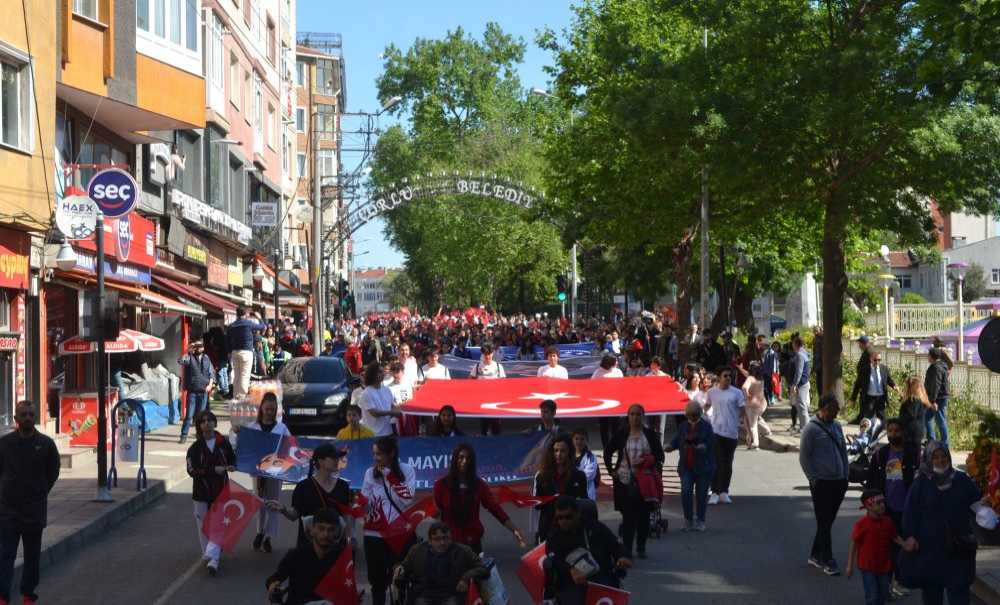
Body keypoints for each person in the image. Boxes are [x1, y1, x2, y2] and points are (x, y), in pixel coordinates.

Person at [901, 441, 981, 605]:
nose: (940, 460)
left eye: (943, 456)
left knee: (959, 596)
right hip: (929, 551)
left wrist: (987, 507)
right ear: (929, 460)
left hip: (958, 550)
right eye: (935, 457)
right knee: (932, 596)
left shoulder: (961, 480)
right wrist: (909, 536)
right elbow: (910, 513)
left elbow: (976, 503)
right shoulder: (921, 483)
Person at [0, 401, 60, 605]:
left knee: (32, 557)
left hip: (34, 510)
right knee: (5, 555)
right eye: (23, 414)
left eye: (31, 415)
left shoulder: (46, 444)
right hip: (8, 510)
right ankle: (2, 596)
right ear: (16, 418)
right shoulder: (5, 444)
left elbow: (53, 471)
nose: (27, 418)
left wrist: (41, 491)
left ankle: (28, 595)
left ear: (35, 418)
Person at [433, 444, 526, 554]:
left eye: (468, 458)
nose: (464, 461)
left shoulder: (479, 485)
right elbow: (437, 513)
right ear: (454, 459)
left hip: (472, 542)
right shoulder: (441, 485)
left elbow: (495, 508)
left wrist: (514, 529)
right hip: (449, 543)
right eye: (461, 457)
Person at [865, 418, 920, 599]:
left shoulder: (912, 455)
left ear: (903, 432)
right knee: (887, 549)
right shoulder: (880, 455)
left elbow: (919, 481)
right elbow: (871, 483)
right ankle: (887, 586)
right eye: (890, 431)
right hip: (885, 510)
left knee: (903, 549)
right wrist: (872, 506)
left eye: (897, 431)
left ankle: (899, 580)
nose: (893, 435)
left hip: (907, 510)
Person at [543, 496, 632, 605]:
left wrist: (622, 557)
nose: (563, 521)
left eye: (568, 517)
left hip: (600, 577)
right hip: (571, 581)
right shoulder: (555, 535)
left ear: (578, 514)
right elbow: (553, 557)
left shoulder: (595, 527)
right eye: (559, 518)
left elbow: (615, 545)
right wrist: (570, 570)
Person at [231, 395, 289, 553]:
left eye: (272, 409)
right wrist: (237, 433)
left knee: (274, 503)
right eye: (267, 409)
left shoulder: (282, 428)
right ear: (261, 408)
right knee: (260, 503)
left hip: (275, 472)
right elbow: (241, 445)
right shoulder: (252, 427)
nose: (269, 412)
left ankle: (269, 537)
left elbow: (289, 446)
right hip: (258, 472)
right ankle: (260, 531)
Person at [604, 404, 664, 558]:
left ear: (643, 416)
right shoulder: (622, 434)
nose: (635, 417)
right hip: (624, 481)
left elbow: (660, 456)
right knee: (628, 517)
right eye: (632, 414)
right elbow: (608, 451)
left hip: (645, 482)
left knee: (644, 517)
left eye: (638, 414)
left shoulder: (650, 435)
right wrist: (612, 471)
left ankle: (641, 547)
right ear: (628, 416)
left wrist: (652, 466)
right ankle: (627, 550)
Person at [362, 436, 417, 605]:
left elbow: (408, 499)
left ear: (391, 453)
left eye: (379, 454)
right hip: (374, 534)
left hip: (399, 533)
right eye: (374, 454)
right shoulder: (370, 473)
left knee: (400, 579)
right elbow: (365, 502)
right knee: (377, 583)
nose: (375, 458)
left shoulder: (407, 470)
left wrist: (390, 477)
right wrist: (359, 504)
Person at [799, 394, 849, 577]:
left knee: (826, 522)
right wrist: (814, 479)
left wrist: (846, 475)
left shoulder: (836, 426)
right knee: (824, 522)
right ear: (823, 409)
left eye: (837, 410)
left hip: (839, 481)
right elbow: (804, 457)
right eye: (833, 410)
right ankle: (827, 559)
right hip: (821, 483)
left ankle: (814, 554)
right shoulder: (811, 429)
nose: (836, 414)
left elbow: (843, 450)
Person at [269, 444, 351, 549]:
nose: (337, 460)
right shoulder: (303, 487)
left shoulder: (343, 486)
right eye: (333, 458)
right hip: (309, 547)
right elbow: (294, 515)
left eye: (338, 457)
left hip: (335, 547)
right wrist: (283, 509)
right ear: (321, 461)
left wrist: (348, 540)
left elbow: (346, 518)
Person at [185, 409, 236, 575]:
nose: (207, 423)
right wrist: (214, 470)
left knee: (218, 524)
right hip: (201, 492)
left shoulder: (224, 443)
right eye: (203, 421)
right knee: (203, 526)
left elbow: (233, 460)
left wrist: (231, 466)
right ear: (199, 426)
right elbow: (192, 470)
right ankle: (207, 553)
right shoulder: (194, 448)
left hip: (221, 490)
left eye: (210, 420)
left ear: (215, 423)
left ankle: (214, 559)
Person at [265, 508, 348, 605]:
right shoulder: (296, 555)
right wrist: (273, 585)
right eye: (321, 528)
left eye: (331, 530)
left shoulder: (342, 557)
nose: (325, 534)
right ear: (312, 530)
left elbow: (347, 586)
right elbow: (275, 578)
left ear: (337, 532)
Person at [394, 522, 490, 605]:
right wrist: (400, 569)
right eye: (437, 539)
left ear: (451, 538)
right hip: (424, 593)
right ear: (430, 541)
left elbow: (483, 569)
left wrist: (465, 578)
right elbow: (404, 566)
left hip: (451, 593)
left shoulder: (462, 551)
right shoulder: (417, 551)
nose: (442, 543)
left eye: (445, 538)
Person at [846, 490, 907, 605]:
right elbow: (854, 543)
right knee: (873, 596)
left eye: (883, 502)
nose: (883, 505)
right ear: (868, 506)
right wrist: (850, 565)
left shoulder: (888, 522)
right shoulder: (862, 524)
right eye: (878, 503)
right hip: (867, 566)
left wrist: (906, 545)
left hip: (884, 566)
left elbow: (894, 537)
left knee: (884, 593)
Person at [665, 399, 716, 532]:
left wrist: (703, 446)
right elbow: (677, 440)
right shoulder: (683, 426)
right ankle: (688, 520)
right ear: (686, 415)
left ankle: (700, 520)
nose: (692, 418)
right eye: (690, 415)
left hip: (703, 467)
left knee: (701, 494)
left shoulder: (706, 426)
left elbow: (711, 444)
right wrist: (670, 446)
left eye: (695, 415)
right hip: (686, 466)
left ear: (699, 414)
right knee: (686, 492)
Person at [533, 434, 589, 543]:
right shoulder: (542, 476)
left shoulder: (579, 475)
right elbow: (536, 504)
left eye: (563, 451)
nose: (559, 454)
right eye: (556, 451)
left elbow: (583, 501)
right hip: (548, 528)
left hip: (571, 529)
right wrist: (550, 499)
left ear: (569, 452)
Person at [705, 369, 745, 504]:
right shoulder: (712, 392)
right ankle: (714, 492)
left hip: (731, 432)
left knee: (727, 463)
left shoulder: (737, 393)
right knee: (716, 462)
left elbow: (742, 409)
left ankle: (724, 491)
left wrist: (739, 422)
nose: (728, 378)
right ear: (719, 377)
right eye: (725, 376)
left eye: (730, 376)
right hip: (716, 431)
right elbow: (707, 405)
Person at [226, 307, 267, 401]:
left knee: (237, 375)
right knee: (245, 375)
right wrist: (260, 318)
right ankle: (242, 397)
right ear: (245, 314)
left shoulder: (232, 325)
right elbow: (263, 326)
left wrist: (229, 351)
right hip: (246, 352)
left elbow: (227, 339)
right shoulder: (248, 323)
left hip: (235, 352)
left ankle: (235, 396)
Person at [179, 339, 215, 444]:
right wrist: (188, 350)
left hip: (204, 391)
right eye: (197, 346)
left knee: (201, 417)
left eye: (200, 346)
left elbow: (211, 373)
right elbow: (180, 361)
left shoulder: (207, 358)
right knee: (189, 416)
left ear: (203, 348)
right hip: (193, 392)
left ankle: (200, 437)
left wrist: (210, 385)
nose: (199, 348)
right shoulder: (190, 358)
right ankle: (183, 436)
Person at [471, 344, 505, 435]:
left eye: (489, 354)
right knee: (484, 427)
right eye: (485, 354)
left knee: (496, 428)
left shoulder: (498, 367)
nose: (487, 356)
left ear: (492, 353)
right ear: (482, 354)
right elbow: (470, 381)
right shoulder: (477, 366)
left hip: (496, 401)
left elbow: (504, 383)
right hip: (482, 401)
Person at [359, 363, 401, 437]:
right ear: (372, 374)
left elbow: (392, 406)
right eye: (379, 372)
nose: (383, 373)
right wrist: (391, 413)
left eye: (382, 371)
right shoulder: (366, 393)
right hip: (373, 434)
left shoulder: (387, 389)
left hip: (388, 432)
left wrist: (402, 411)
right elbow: (374, 413)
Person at [592, 354, 625, 447]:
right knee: (604, 427)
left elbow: (622, 385)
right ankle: (606, 447)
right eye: (615, 361)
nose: (617, 362)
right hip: (603, 404)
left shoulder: (618, 372)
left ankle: (615, 446)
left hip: (616, 403)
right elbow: (592, 386)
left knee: (616, 426)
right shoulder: (598, 373)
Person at [741, 363, 772, 450]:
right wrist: (740, 369)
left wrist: (747, 395)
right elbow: (746, 374)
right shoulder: (761, 379)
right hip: (762, 404)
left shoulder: (750, 379)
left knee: (752, 424)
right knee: (757, 418)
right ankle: (767, 430)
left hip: (752, 404)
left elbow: (744, 387)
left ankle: (755, 442)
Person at [861, 352, 897, 423]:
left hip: (881, 398)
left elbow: (889, 379)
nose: (877, 362)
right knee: (868, 420)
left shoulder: (884, 368)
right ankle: (867, 433)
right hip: (869, 398)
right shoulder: (865, 370)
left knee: (882, 419)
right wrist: (853, 397)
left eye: (879, 360)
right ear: (871, 359)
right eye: (875, 360)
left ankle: (881, 432)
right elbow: (858, 383)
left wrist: (894, 386)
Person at [924, 347, 950, 446]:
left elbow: (936, 384)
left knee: (940, 420)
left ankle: (945, 443)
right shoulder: (941, 366)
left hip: (938, 398)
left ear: (931, 356)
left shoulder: (936, 367)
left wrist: (933, 400)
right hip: (937, 397)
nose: (927, 357)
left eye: (928, 355)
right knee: (928, 417)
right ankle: (931, 441)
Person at [898, 376, 933, 447]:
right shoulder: (923, 401)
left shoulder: (912, 401)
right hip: (919, 432)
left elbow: (908, 416)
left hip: (910, 433)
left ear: (910, 388)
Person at [849, 335, 874, 424]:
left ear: (864, 344)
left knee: (865, 401)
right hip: (864, 380)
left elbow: (870, 368)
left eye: (859, 344)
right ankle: (861, 418)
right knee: (863, 401)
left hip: (867, 381)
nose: (859, 346)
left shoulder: (869, 352)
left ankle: (864, 419)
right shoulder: (867, 351)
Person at [789, 336, 811, 433]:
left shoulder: (799, 355)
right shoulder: (804, 352)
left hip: (801, 384)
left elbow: (799, 371)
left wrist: (794, 384)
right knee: (801, 405)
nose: (792, 345)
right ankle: (804, 426)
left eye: (793, 343)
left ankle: (805, 428)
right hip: (804, 382)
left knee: (801, 406)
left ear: (796, 344)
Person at [572, 428, 600, 501]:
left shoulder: (591, 457)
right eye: (576, 439)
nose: (579, 442)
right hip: (571, 493)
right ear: (572, 440)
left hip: (587, 494)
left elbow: (589, 475)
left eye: (582, 439)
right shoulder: (568, 455)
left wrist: (571, 478)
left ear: (586, 440)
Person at [762, 341, 782, 405]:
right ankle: (769, 399)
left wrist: (774, 373)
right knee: (769, 387)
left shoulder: (771, 353)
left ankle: (769, 399)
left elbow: (774, 364)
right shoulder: (768, 353)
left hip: (769, 373)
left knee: (769, 387)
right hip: (769, 373)